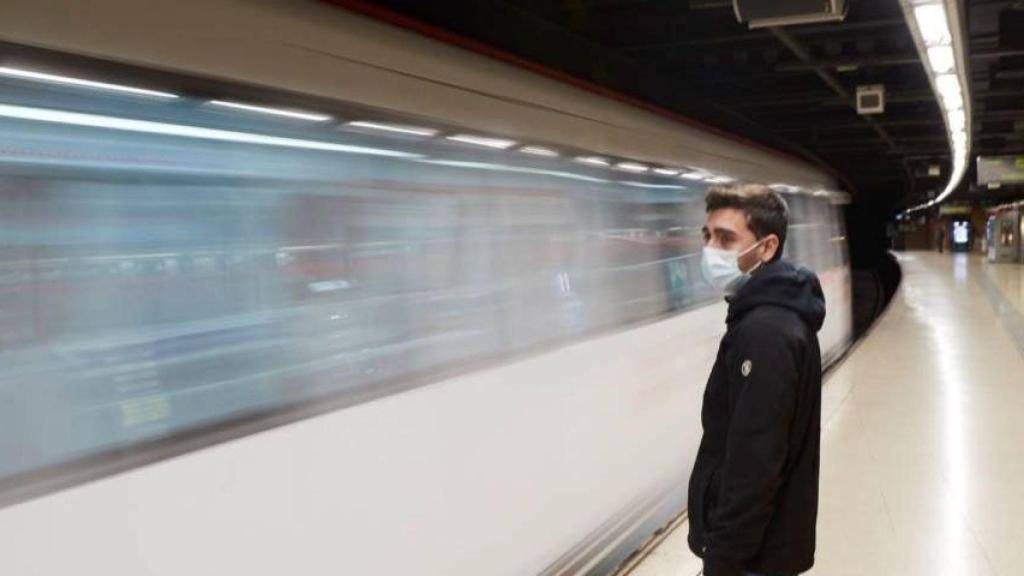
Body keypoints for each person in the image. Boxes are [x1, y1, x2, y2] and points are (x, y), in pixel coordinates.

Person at [687, 183, 825, 576]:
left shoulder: (765, 332)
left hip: (754, 558)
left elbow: (754, 465)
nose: (711, 250)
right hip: (762, 549)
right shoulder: (771, 316)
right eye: (708, 236)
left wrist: (721, 562)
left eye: (726, 239)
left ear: (766, 248)